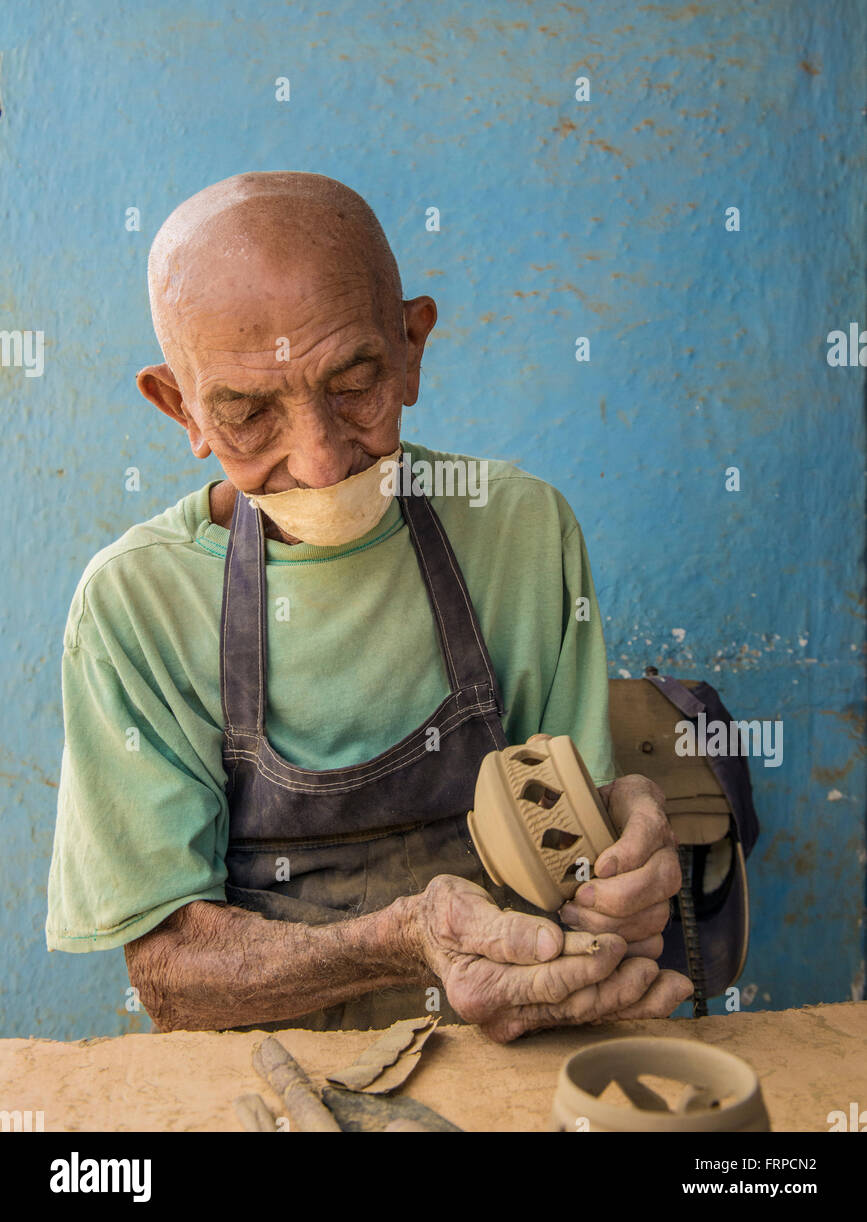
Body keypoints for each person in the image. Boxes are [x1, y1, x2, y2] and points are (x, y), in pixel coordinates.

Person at [46, 170, 689, 1036]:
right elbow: (169, 974)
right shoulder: (135, 606)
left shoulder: (520, 531)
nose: (317, 459)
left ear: (411, 346)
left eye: (353, 386)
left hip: (510, 1048)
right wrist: (404, 940)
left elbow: (574, 851)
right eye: (246, 413)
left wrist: (620, 871)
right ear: (181, 407)